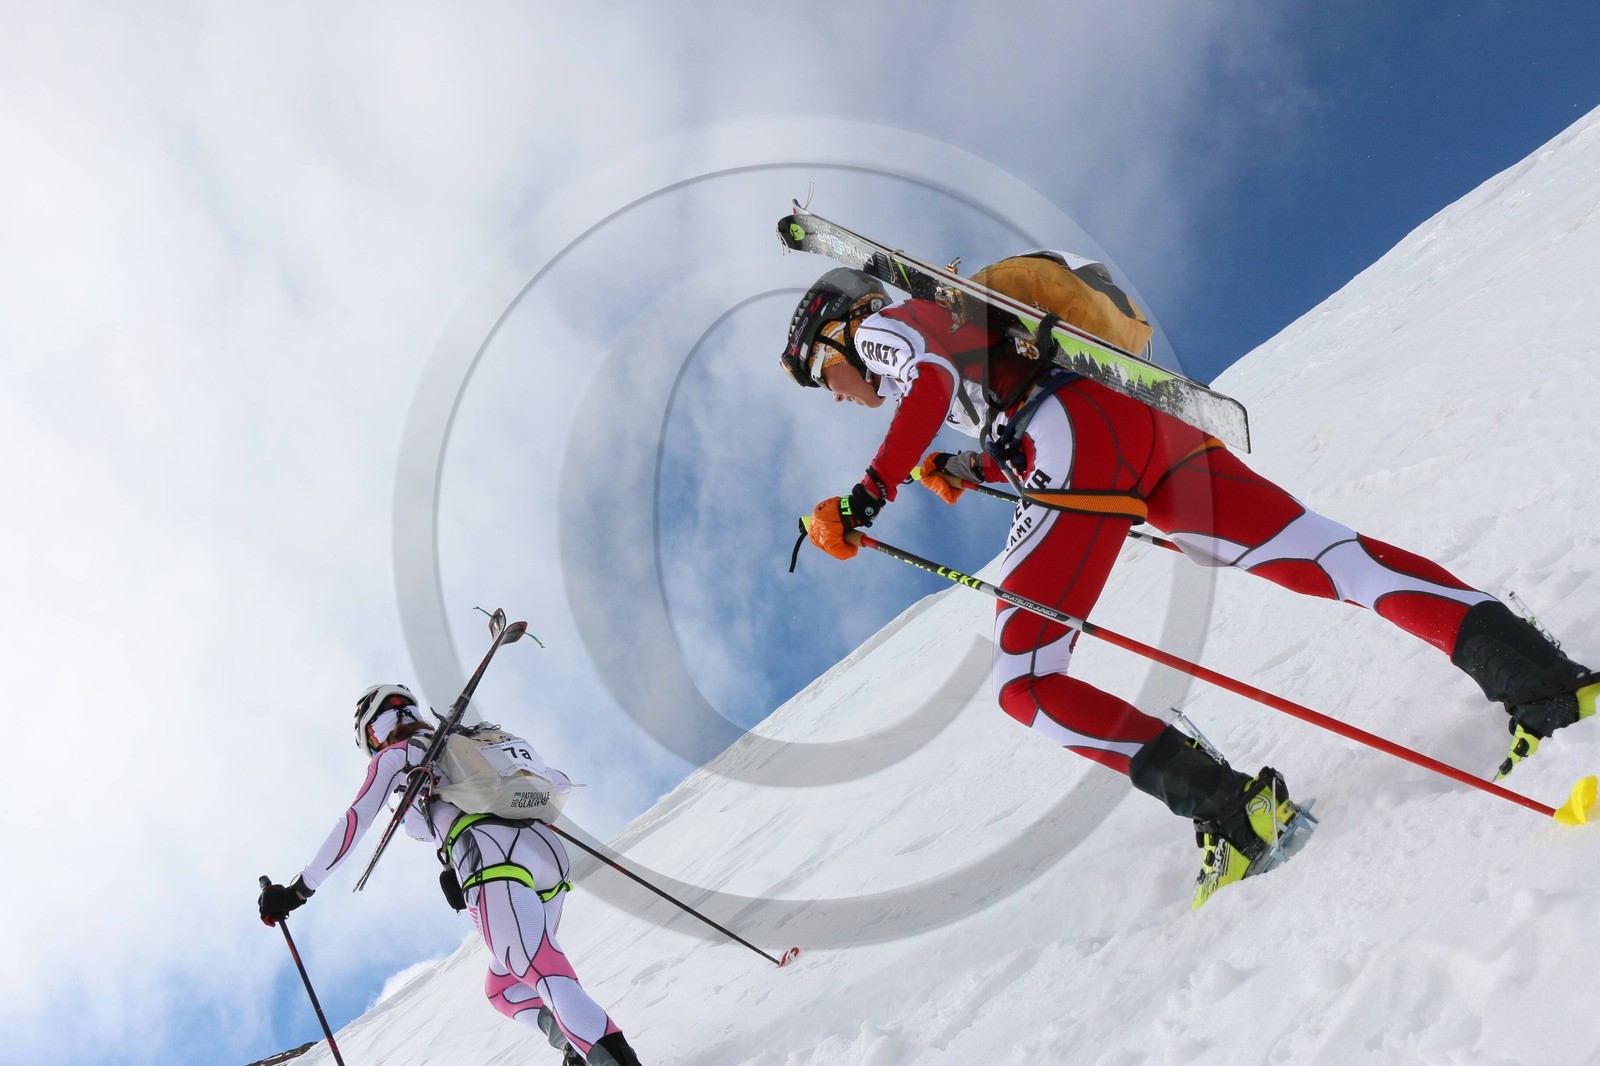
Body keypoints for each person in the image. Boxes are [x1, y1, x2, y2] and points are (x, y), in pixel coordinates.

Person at [781, 260, 1598, 908]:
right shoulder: (952, 321)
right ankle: (1546, 684)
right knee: (1321, 556)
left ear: (836, 333)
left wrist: (865, 496)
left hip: (1072, 439)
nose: (841, 395)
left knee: (1024, 678)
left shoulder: (883, 326)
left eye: (825, 375)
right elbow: (983, 389)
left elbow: (924, 382)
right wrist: (965, 461)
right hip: (1135, 425)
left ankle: (1235, 813)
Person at [259, 684, 645, 1065]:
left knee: (548, 975)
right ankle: (572, 1045)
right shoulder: (478, 741)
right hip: (548, 854)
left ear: (373, 733)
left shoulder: (399, 755)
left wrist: (298, 890)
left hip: (491, 860)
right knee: (504, 986)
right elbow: (555, 781)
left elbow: (355, 821)